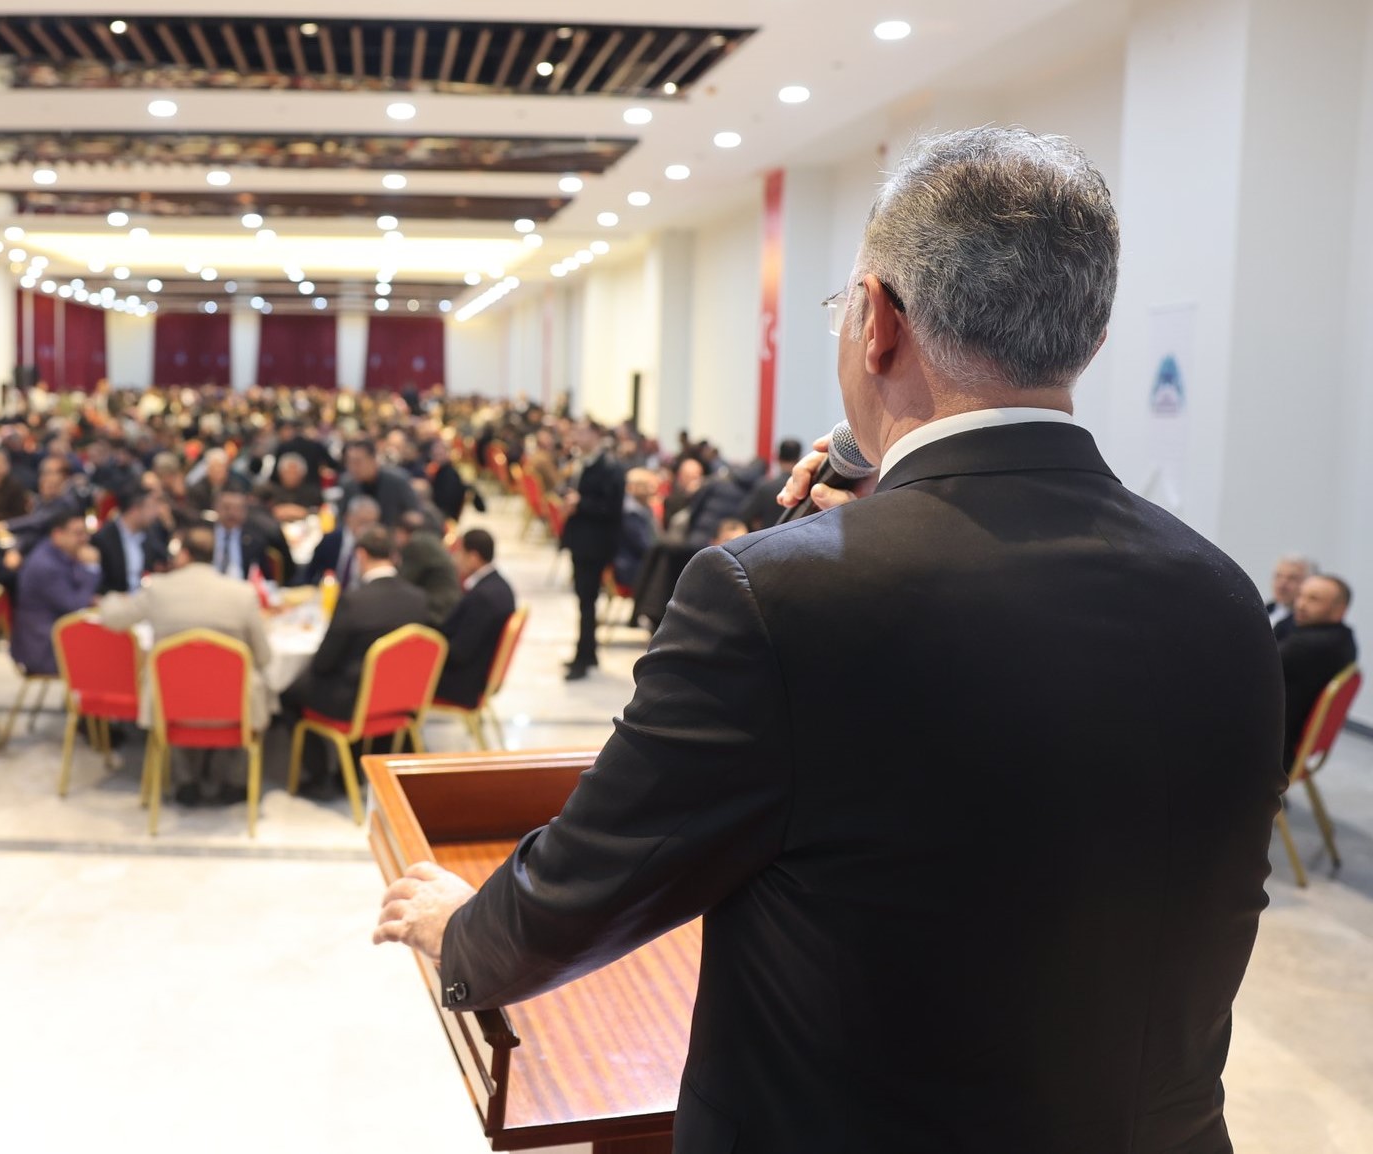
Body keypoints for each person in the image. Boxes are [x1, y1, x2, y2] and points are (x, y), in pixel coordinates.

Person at [375, 128, 1285, 1150]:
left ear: (878, 322)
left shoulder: (773, 595)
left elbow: (589, 883)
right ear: (1091, 338)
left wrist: (462, 934)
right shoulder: (1222, 595)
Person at [96, 524, 275, 807]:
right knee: (258, 685)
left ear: (184, 554)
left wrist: (107, 597)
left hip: (173, 704)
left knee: (170, 682)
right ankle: (234, 780)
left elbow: (114, 618)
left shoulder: (159, 589)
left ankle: (185, 780)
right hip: (232, 705)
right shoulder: (243, 594)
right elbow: (264, 657)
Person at [281, 530, 428, 794]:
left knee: (288, 693)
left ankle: (318, 773)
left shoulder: (354, 601)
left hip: (353, 701)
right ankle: (357, 764)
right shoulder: (418, 599)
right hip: (401, 696)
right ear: (394, 556)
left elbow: (323, 663)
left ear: (361, 555)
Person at [558, 423, 624, 681]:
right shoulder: (581, 461)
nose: (577, 437)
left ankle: (582, 659)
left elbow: (612, 508)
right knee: (583, 600)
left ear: (596, 435)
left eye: (582, 432)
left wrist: (581, 503)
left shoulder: (609, 467)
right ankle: (588, 652)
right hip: (581, 539)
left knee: (587, 600)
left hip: (595, 544)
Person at [8, 514, 101, 677]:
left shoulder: (57, 553)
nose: (85, 539)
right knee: (112, 651)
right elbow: (75, 606)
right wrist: (91, 568)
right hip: (44, 649)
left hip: (52, 635)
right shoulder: (46, 565)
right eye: (78, 533)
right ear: (58, 535)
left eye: (85, 533)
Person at [1279, 573, 1356, 770]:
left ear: (1339, 610)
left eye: (1313, 599)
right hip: (1286, 742)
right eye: (1301, 595)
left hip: (1273, 750)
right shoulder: (1344, 639)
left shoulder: (1308, 645)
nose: (1300, 604)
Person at [434, 529, 516, 708]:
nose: (455, 559)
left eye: (459, 553)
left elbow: (459, 653)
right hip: (476, 672)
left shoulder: (483, 598)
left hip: (463, 684)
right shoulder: (500, 585)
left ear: (473, 557)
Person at [91, 487, 169, 595]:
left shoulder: (150, 533)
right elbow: (98, 583)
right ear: (135, 509)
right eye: (151, 507)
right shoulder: (103, 539)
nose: (156, 512)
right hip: (116, 600)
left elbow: (165, 559)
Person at [394, 509, 461, 625]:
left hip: (437, 612)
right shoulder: (429, 540)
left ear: (401, 532)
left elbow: (403, 583)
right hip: (449, 608)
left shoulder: (417, 544)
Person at [341, 439, 422, 526]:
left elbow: (415, 515)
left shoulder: (397, 482)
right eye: (349, 462)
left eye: (357, 462)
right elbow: (341, 518)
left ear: (373, 459)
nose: (352, 467)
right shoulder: (348, 485)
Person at [304, 496, 379, 588]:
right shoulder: (330, 540)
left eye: (371, 524)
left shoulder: (376, 547)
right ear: (348, 517)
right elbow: (311, 574)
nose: (365, 528)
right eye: (362, 521)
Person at [739, 438, 804, 532]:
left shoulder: (765, 487)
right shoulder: (805, 488)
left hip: (768, 537)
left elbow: (745, 515)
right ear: (799, 459)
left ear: (777, 458)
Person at [616, 469, 659, 591]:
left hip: (639, 562)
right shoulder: (630, 512)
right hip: (630, 566)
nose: (652, 490)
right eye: (648, 486)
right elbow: (643, 545)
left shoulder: (644, 508)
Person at [425, 437, 482, 525]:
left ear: (448, 453)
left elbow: (446, 501)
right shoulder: (440, 471)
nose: (436, 456)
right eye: (435, 454)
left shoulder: (450, 474)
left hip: (445, 516)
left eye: (440, 454)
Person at [254, 453, 322, 518]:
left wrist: (303, 512)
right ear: (280, 473)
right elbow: (254, 507)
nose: (291, 476)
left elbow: (321, 510)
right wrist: (273, 511)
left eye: (294, 472)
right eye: (287, 472)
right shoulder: (267, 490)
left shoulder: (312, 493)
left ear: (303, 474)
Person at [1266, 554, 1312, 641]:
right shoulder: (1265, 609)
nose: (1282, 584)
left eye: (1292, 578)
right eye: (1278, 576)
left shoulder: (1308, 620)